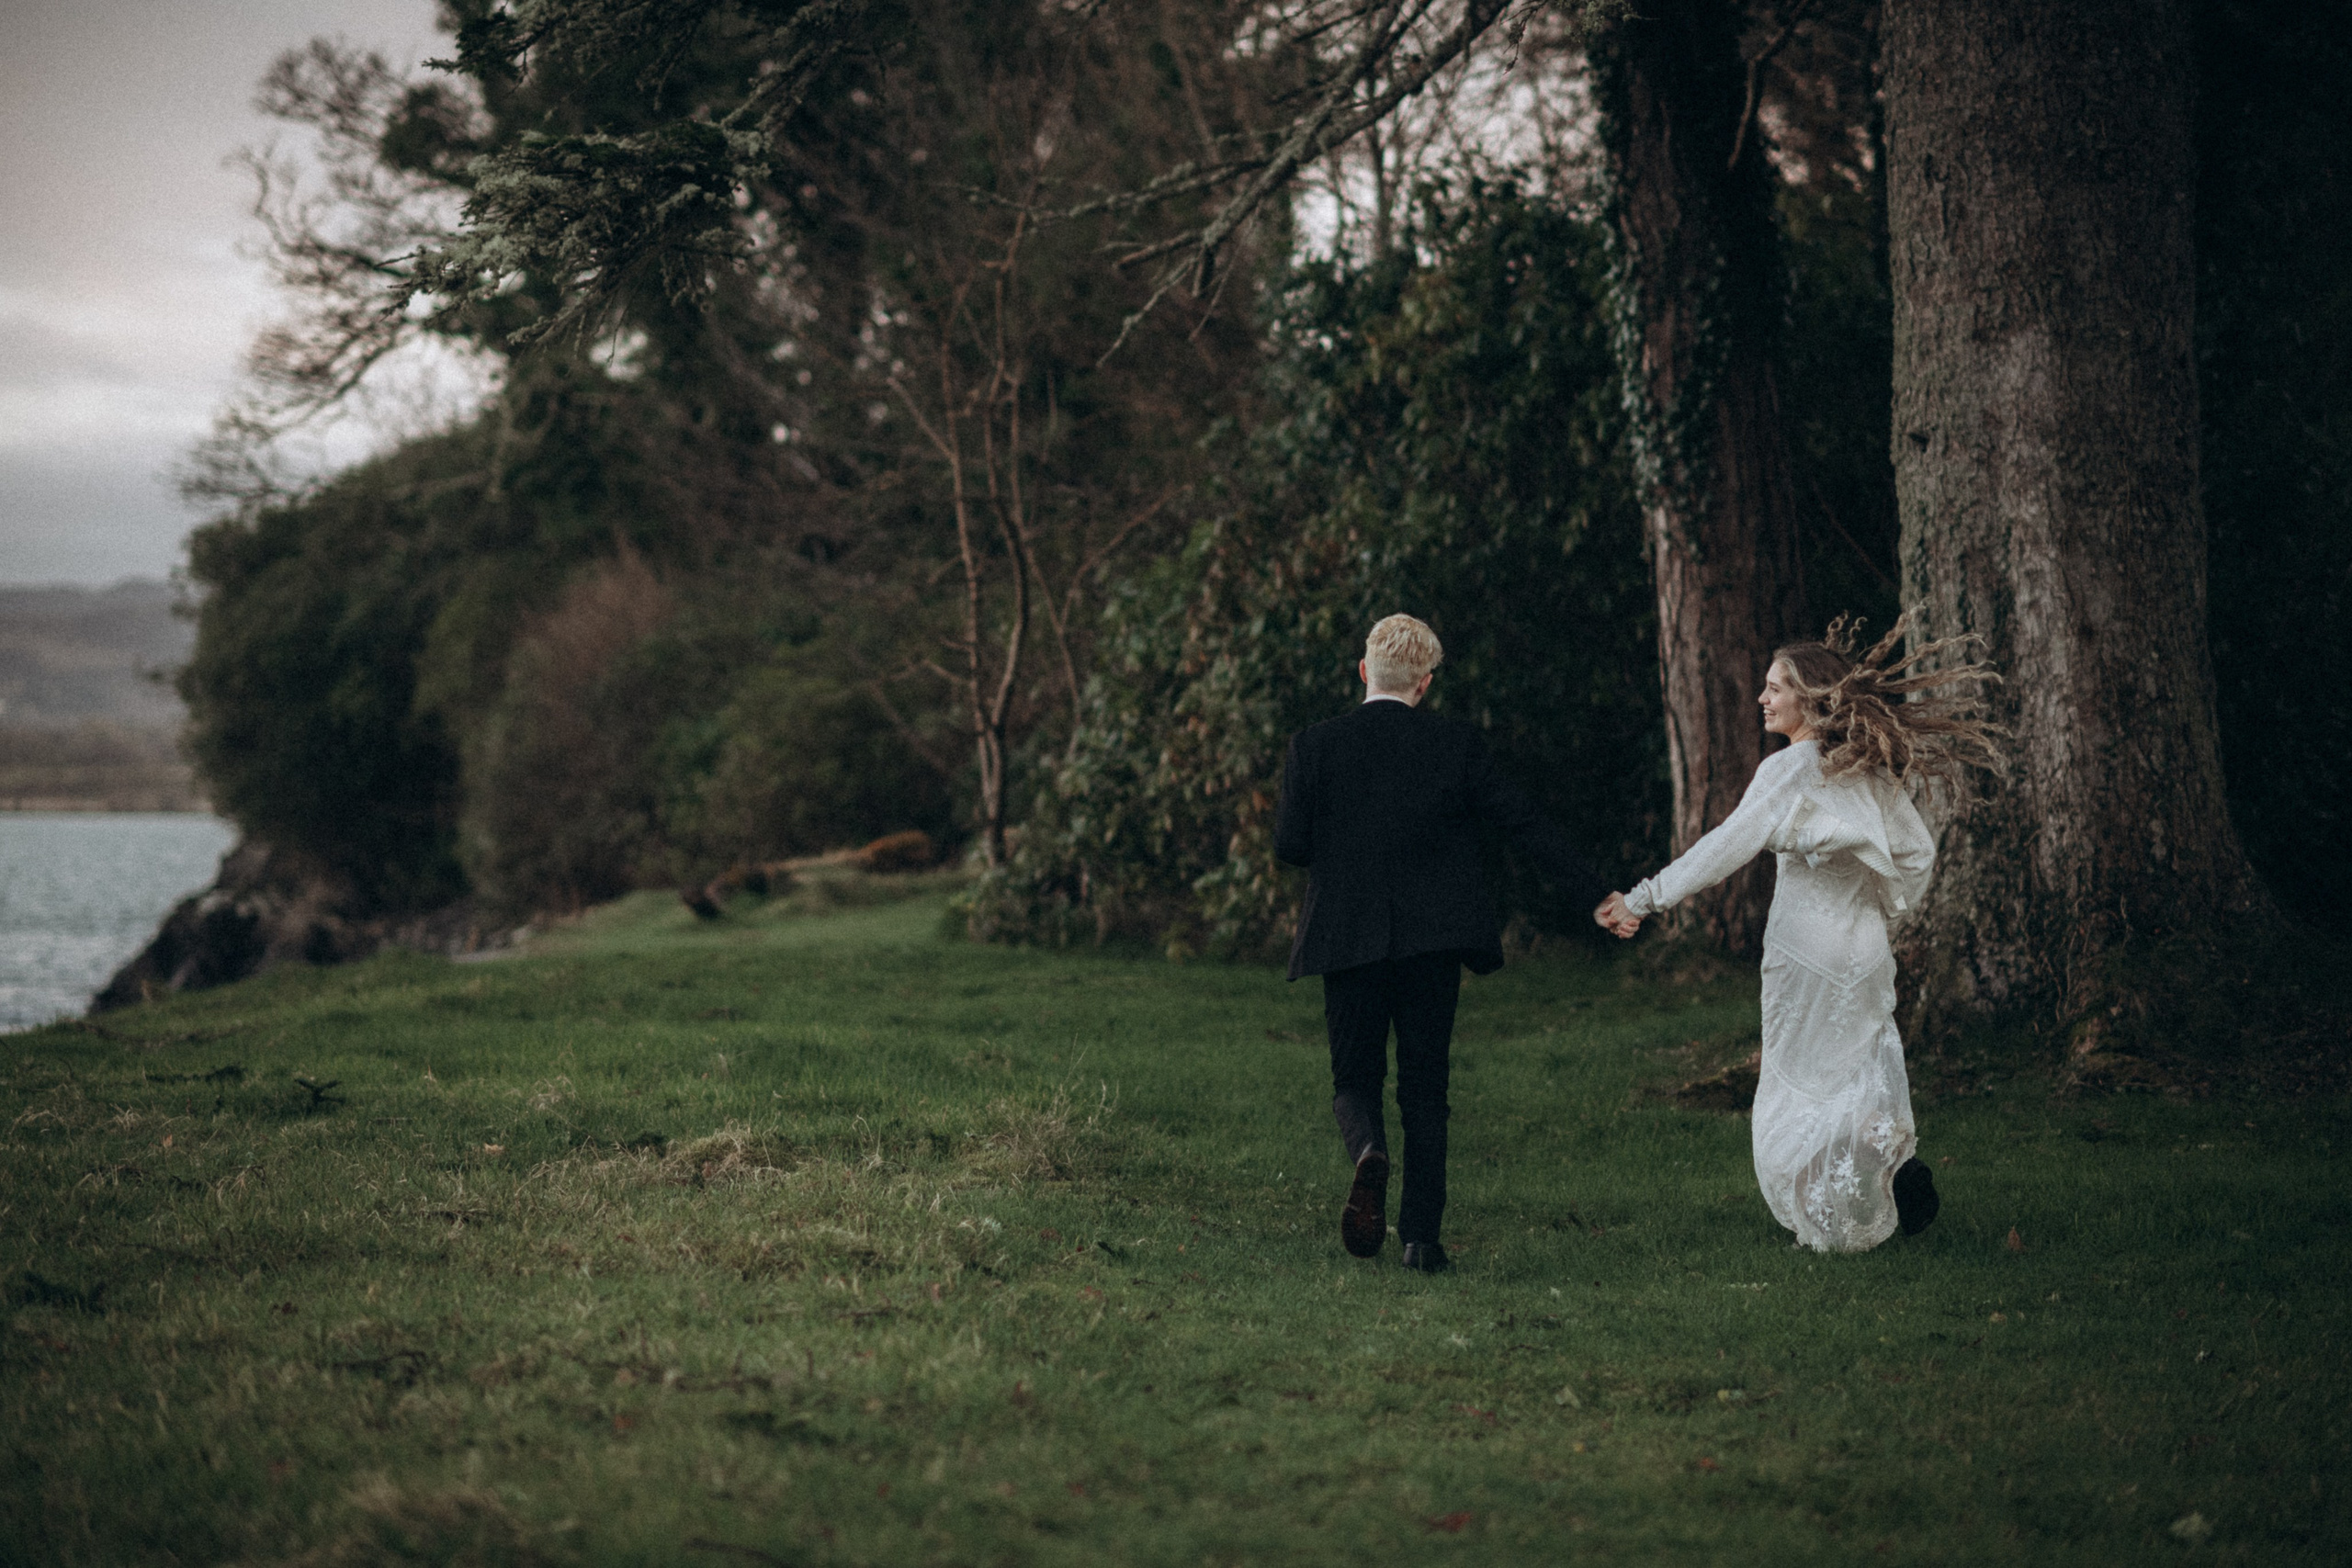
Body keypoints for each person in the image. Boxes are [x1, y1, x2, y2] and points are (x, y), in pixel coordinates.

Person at [1600, 615, 2000, 1253]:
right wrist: (1885, 909)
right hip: (1865, 949)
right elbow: (1918, 854)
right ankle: (1895, 1169)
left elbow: (1724, 846)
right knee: (1859, 1066)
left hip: (1805, 952)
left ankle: (1828, 1223)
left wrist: (1646, 897)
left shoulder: (1787, 769)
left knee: (1799, 1082)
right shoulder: (1867, 771)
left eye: (1775, 688)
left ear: (1810, 698)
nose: (1762, 698)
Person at [1274, 614, 1619, 1272]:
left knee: (1354, 1077)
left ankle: (1368, 1150)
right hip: (1433, 942)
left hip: (1347, 935)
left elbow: (1290, 845)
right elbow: (1522, 822)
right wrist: (1594, 893)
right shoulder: (1456, 745)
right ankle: (1421, 1240)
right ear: (1424, 683)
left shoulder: (1313, 746)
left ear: (1364, 671)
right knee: (1426, 1086)